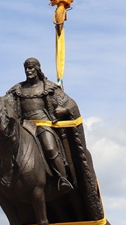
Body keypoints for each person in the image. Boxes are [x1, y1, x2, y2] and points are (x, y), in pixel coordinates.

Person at [6, 58, 77, 192]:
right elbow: (6, 102)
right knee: (7, 146)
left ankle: (63, 178)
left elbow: (71, 103)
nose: (28, 71)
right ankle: (5, 183)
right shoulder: (17, 89)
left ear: (38, 69)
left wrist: (64, 109)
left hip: (43, 124)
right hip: (24, 126)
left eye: (31, 68)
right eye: (26, 68)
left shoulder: (48, 87)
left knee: (49, 148)